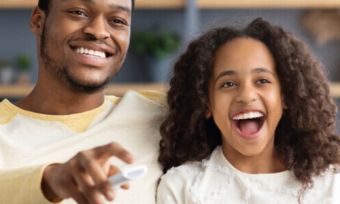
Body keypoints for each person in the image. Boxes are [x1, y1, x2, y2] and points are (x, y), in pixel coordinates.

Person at [157, 18, 340, 204]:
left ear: (285, 96)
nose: (246, 95)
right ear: (206, 104)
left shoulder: (330, 184)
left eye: (262, 81)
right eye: (228, 84)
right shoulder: (182, 187)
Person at [0, 0, 167, 203]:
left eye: (117, 20)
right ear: (38, 21)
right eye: (78, 12)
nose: (98, 31)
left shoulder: (162, 116)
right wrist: (48, 182)